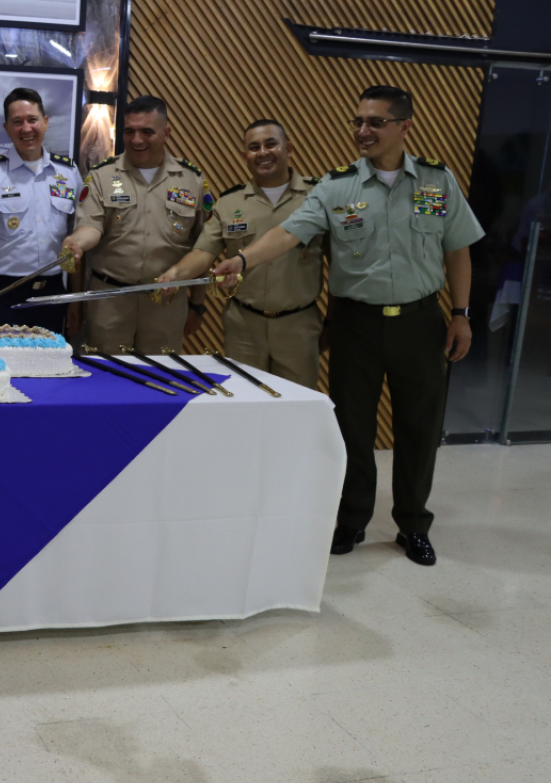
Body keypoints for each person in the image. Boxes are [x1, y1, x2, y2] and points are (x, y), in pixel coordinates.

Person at [212, 86, 485, 565]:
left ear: (405, 127)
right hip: (356, 324)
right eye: (358, 121)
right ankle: (353, 519)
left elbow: (458, 248)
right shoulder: (337, 187)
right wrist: (242, 259)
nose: (363, 131)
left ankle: (413, 524)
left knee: (419, 429)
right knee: (352, 428)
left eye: (375, 122)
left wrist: (461, 314)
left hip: (421, 324)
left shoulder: (436, 183)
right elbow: (287, 232)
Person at [157, 119, 325, 388]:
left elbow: (338, 261)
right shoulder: (230, 202)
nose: (262, 152)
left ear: (289, 148)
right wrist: (175, 274)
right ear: (245, 156)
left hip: (298, 326)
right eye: (254, 147)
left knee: (296, 409)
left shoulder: (317, 196)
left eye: (271, 144)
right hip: (244, 327)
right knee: (246, 404)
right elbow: (203, 252)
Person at [64, 95, 211, 354]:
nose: (136, 140)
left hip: (166, 303)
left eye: (146, 131)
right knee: (109, 380)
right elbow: (91, 227)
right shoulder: (101, 176)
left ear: (166, 133)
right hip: (109, 301)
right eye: (129, 131)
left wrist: (197, 304)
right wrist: (76, 242)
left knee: (161, 383)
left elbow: (204, 246)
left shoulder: (192, 180)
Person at [0, 87, 82, 333]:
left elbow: (78, 237)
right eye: (17, 122)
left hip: (52, 293)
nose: (26, 129)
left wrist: (75, 298)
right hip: (1, 294)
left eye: (32, 120)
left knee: (48, 368)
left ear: (45, 122)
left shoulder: (69, 173)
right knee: (2, 367)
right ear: (6, 128)